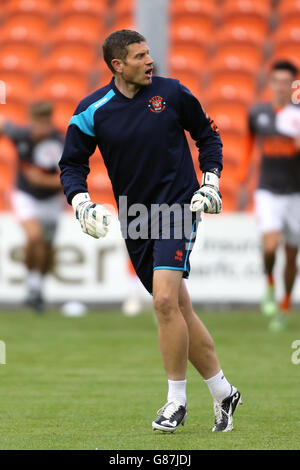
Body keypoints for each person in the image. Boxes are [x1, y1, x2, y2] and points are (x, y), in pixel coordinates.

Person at [59, 30, 241, 432]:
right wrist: (81, 202)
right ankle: (223, 391)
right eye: (139, 56)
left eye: (148, 54)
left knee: (162, 303)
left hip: (178, 206)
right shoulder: (92, 110)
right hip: (135, 215)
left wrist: (210, 180)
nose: (149, 61)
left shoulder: (172, 93)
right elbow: (72, 165)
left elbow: (207, 136)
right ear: (117, 65)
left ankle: (176, 402)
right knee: (178, 309)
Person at [237, 60, 300, 331]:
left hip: (296, 192)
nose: (282, 87)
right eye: (278, 81)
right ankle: (270, 286)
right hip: (268, 190)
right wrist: (241, 174)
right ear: (271, 83)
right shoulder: (259, 113)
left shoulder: (298, 115)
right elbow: (250, 143)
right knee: (271, 246)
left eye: (288, 82)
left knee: (291, 255)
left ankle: (285, 302)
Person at [0, 101, 65, 312]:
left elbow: (68, 179)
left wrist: (43, 181)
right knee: (34, 236)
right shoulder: (20, 135)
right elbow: (3, 124)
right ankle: (33, 287)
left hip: (52, 200)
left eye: (44, 124)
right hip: (25, 195)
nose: (40, 129)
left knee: (46, 248)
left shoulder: (60, 143)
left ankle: (35, 289)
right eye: (37, 124)